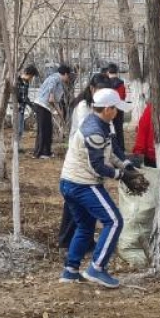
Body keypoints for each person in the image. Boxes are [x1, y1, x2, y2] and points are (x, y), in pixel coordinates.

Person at [59, 87, 145, 288]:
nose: (118, 112)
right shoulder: (95, 131)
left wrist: (126, 165)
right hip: (82, 184)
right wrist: (121, 175)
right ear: (107, 109)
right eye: (115, 108)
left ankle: (70, 271)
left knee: (85, 226)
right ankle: (97, 268)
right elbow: (97, 166)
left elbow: (111, 151)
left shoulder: (100, 122)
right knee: (114, 221)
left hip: (69, 182)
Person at [57, 73, 114, 249]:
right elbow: (91, 130)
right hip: (80, 156)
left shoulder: (102, 107)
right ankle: (66, 239)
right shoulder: (84, 106)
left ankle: (83, 241)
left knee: (84, 206)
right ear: (92, 89)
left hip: (91, 155)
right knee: (75, 202)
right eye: (100, 90)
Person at [32, 64, 72, 158]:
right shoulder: (55, 79)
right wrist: (58, 111)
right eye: (69, 75)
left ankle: (47, 152)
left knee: (48, 129)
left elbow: (53, 100)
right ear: (65, 74)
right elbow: (51, 99)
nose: (69, 78)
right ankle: (39, 153)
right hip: (42, 106)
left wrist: (59, 112)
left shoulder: (57, 79)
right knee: (43, 130)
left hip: (45, 107)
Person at [102, 63, 129, 140]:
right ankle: (121, 148)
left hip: (108, 109)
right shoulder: (121, 83)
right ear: (117, 72)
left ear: (108, 72)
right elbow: (123, 96)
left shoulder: (105, 84)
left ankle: (112, 148)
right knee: (119, 129)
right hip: (119, 108)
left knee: (109, 129)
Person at [16, 64, 38, 141]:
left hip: (22, 109)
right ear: (28, 74)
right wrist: (31, 105)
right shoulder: (17, 81)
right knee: (18, 129)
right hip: (16, 109)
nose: (31, 79)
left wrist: (32, 106)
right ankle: (16, 147)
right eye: (31, 76)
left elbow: (25, 96)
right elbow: (19, 97)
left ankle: (17, 147)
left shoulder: (26, 82)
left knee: (21, 129)